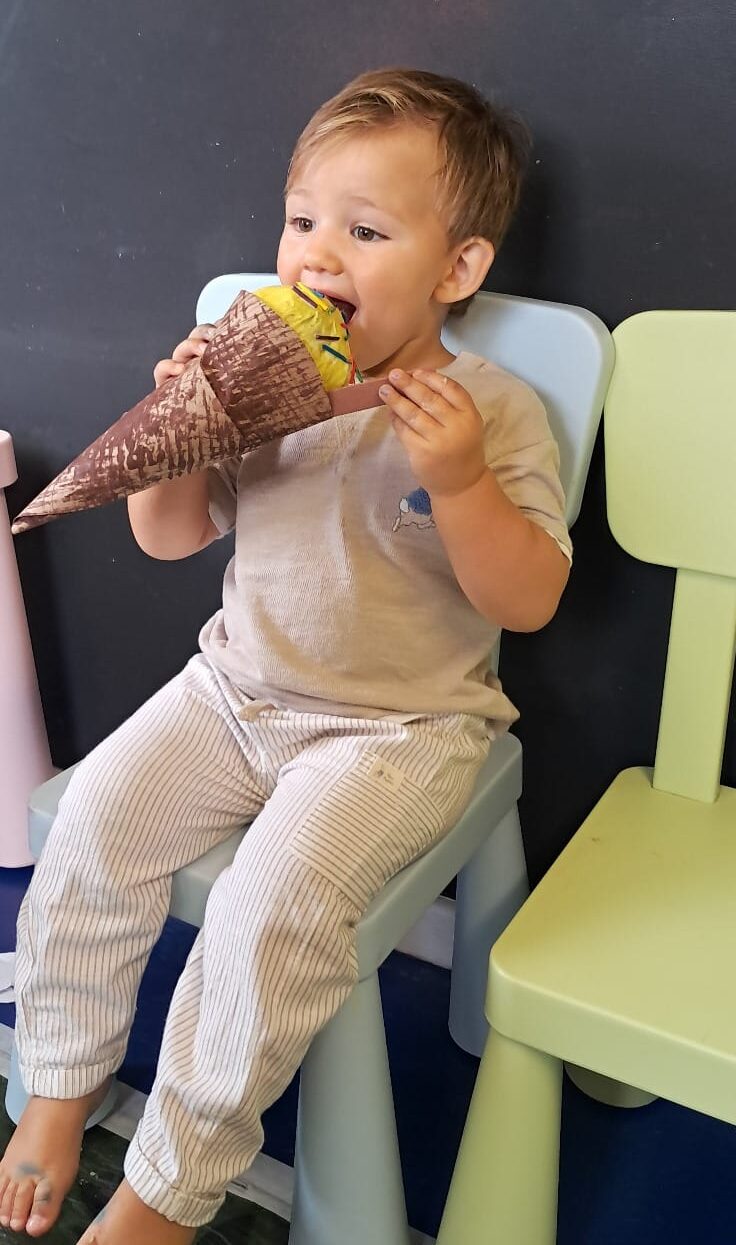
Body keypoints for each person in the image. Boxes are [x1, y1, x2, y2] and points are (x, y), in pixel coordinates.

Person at [0, 67, 571, 1244]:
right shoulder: (259, 377)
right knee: (96, 821)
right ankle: (60, 1088)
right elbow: (167, 542)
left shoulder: (493, 410)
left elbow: (528, 603)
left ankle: (166, 1189)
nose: (317, 254)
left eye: (365, 231)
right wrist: (176, 435)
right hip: (233, 688)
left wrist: (458, 480)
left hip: (399, 727)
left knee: (266, 913)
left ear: (456, 269)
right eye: (302, 219)